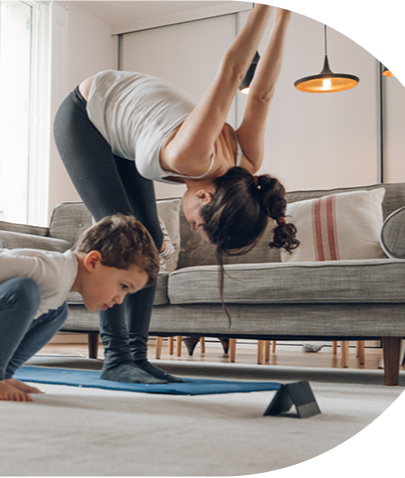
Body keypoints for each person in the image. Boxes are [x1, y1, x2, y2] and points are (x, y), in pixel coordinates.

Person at [52, 5, 298, 384]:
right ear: (205, 199)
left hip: (123, 134)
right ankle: (116, 358)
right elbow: (234, 72)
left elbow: (262, 95)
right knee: (119, 232)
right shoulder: (191, 156)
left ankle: (136, 355)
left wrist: (285, 19)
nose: (191, 227)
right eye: (198, 227)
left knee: (147, 236)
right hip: (86, 113)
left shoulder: (244, 164)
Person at [0, 214, 161, 402]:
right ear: (94, 261)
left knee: (57, 311)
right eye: (123, 286)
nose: (120, 299)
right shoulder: (48, 269)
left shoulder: (60, 282)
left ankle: (2, 373)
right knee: (22, 291)